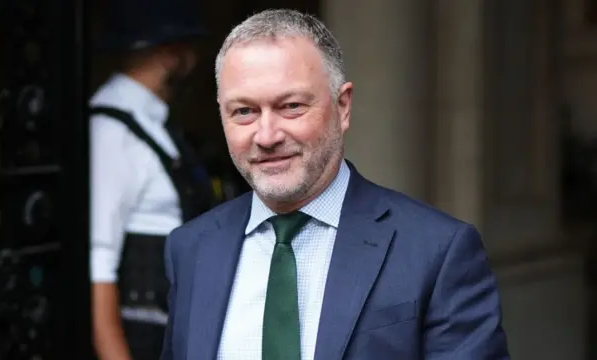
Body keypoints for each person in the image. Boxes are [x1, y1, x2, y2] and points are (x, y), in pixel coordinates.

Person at [160, 8, 510, 360]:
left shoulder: (436, 251)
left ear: (343, 107)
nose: (266, 136)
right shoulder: (191, 250)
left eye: (291, 106)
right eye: (244, 112)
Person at [88, 1, 214, 359]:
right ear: (170, 53)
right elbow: (97, 266)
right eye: (189, 48)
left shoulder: (151, 125)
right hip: (142, 343)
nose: (193, 59)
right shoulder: (112, 131)